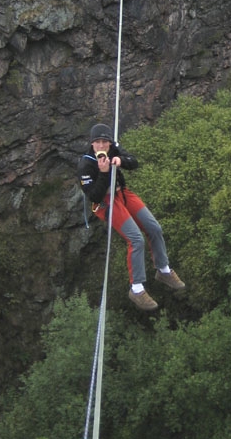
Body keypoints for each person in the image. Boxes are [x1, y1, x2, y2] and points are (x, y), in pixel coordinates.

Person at [78, 123, 186, 311]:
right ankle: (136, 288)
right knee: (136, 239)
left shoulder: (113, 149)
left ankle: (163, 269)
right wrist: (104, 173)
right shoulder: (86, 164)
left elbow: (133, 161)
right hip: (105, 202)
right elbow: (94, 196)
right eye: (98, 142)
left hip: (122, 194)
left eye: (105, 142)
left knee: (154, 228)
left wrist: (120, 160)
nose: (102, 146)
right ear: (92, 144)